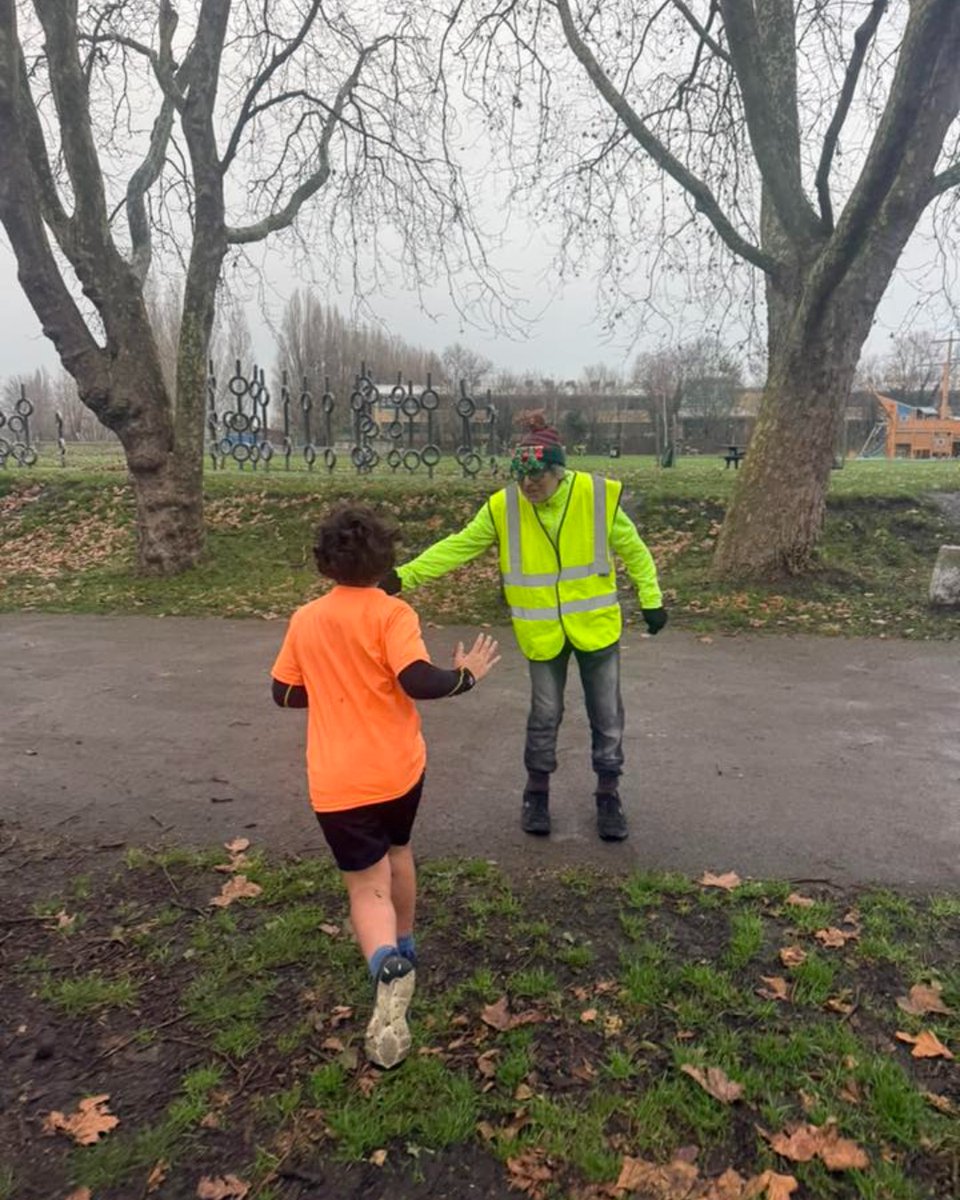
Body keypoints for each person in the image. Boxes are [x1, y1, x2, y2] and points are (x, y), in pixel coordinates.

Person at [271, 503, 499, 1069]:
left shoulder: (306, 619)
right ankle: (408, 944)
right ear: (385, 560)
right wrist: (465, 675)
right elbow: (418, 681)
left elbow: (283, 692)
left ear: (325, 564)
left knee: (363, 885)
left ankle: (385, 963)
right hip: (399, 771)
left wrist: (330, 687)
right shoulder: (392, 613)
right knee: (399, 852)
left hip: (339, 781)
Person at [381, 413, 666, 841]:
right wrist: (406, 576)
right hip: (541, 632)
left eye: (537, 477)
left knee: (606, 715)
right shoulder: (504, 505)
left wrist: (652, 598)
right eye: (521, 477)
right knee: (545, 713)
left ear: (558, 471)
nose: (529, 486)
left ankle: (608, 794)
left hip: (596, 627)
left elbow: (636, 551)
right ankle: (536, 792)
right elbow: (460, 545)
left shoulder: (596, 495)